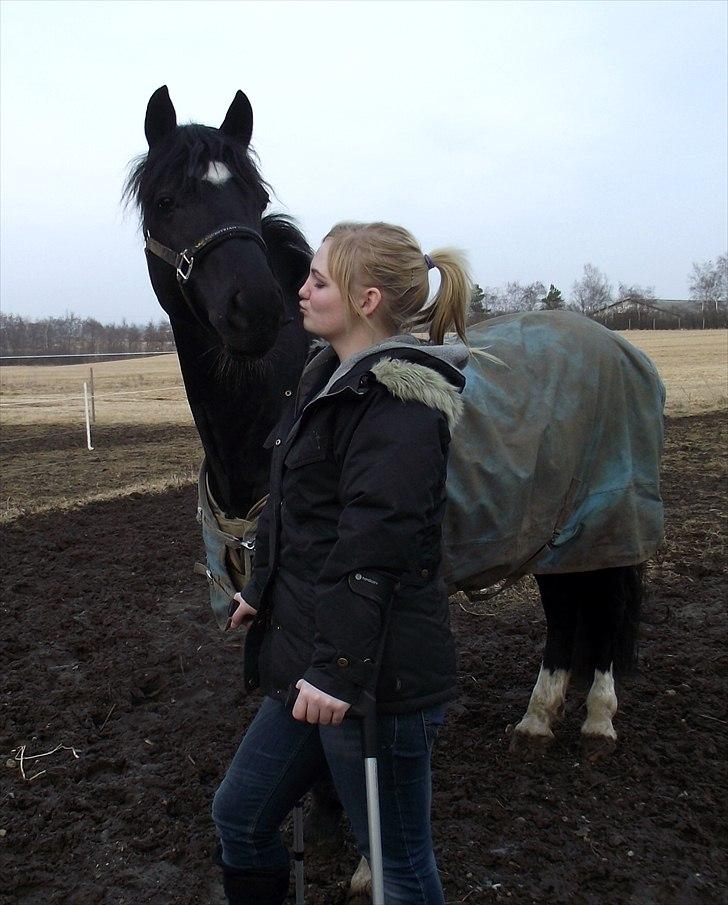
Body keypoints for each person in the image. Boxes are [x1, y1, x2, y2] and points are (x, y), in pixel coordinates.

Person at [212, 221, 471, 905]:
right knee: (240, 816)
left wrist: (335, 672)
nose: (300, 288)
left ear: (366, 298)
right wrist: (262, 587)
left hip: (376, 679)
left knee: (398, 865)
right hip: (315, 658)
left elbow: (374, 548)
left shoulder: (400, 404)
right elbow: (295, 504)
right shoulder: (327, 376)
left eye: (319, 279)